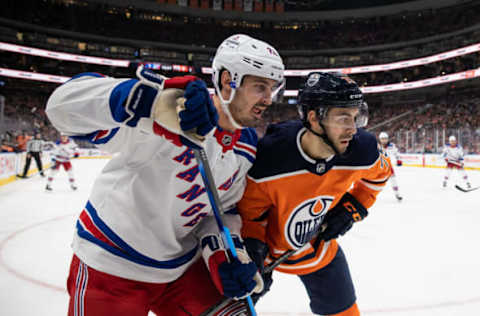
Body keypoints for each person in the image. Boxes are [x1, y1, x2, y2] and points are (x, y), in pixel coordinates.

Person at [45, 34, 284, 316]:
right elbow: (60, 109)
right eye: (260, 86)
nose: (269, 99)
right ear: (227, 80)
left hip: (180, 270)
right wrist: (147, 102)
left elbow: (222, 212)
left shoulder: (246, 146)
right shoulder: (173, 110)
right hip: (111, 265)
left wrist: (222, 254)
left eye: (273, 88)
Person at [235, 72, 391, 316]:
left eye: (355, 117)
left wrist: (352, 208)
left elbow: (380, 176)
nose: (353, 129)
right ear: (314, 118)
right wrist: (253, 251)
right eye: (343, 118)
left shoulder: (363, 149)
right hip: (267, 257)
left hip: (320, 251)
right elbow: (250, 215)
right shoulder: (270, 159)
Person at [378, 131, 403, 201]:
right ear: (380, 139)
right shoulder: (376, 145)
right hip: (377, 167)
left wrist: (399, 160)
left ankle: (397, 194)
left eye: (385, 138)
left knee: (393, 180)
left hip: (388, 167)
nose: (384, 140)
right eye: (382, 139)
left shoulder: (392, 146)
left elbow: (397, 153)